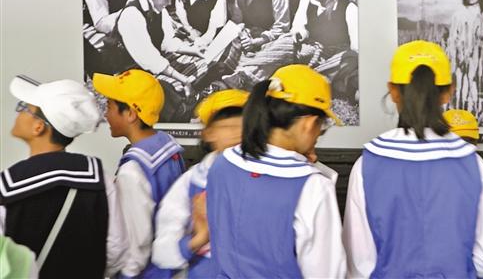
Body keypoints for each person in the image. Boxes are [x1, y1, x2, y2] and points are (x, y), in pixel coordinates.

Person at [343, 41, 483, 278]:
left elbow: (360, 264)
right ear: (449, 91)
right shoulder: (473, 165)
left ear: (393, 91)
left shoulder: (367, 166)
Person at [205, 65, 346, 278]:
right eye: (322, 126)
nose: (319, 135)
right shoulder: (313, 186)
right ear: (309, 124)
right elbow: (327, 272)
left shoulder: (221, 164)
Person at [0, 75, 126, 278]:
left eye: (24, 107)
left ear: (39, 127)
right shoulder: (99, 178)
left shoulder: (8, 185)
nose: (19, 112)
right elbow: (117, 248)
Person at [94, 69, 186, 279]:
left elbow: (137, 243)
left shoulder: (132, 171)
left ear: (131, 114)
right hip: (171, 267)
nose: (106, 114)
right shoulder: (168, 146)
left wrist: (126, 274)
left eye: (109, 106)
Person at [152, 89, 248, 278]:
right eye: (227, 125)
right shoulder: (192, 181)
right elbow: (163, 253)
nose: (237, 133)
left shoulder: (271, 178)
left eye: (244, 125)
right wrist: (200, 237)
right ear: (209, 133)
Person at [113, 0, 202, 109]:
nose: (169, 2)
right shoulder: (132, 15)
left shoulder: (159, 10)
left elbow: (167, 42)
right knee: (171, 92)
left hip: (152, 64)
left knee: (200, 65)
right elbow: (149, 58)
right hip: (129, 71)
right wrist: (183, 80)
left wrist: (193, 50)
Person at [291, 0, 359, 101]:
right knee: (286, 43)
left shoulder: (349, 8)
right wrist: (302, 33)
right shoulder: (311, 2)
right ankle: (329, 82)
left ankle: (310, 80)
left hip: (336, 57)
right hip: (314, 52)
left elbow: (356, 47)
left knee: (351, 58)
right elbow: (304, 28)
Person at [449, 0, 483, 112]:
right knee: (462, 81)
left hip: (479, 55)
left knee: (476, 81)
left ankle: (476, 109)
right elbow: (453, 36)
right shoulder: (459, 14)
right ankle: (462, 108)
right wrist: (457, 52)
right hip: (462, 54)